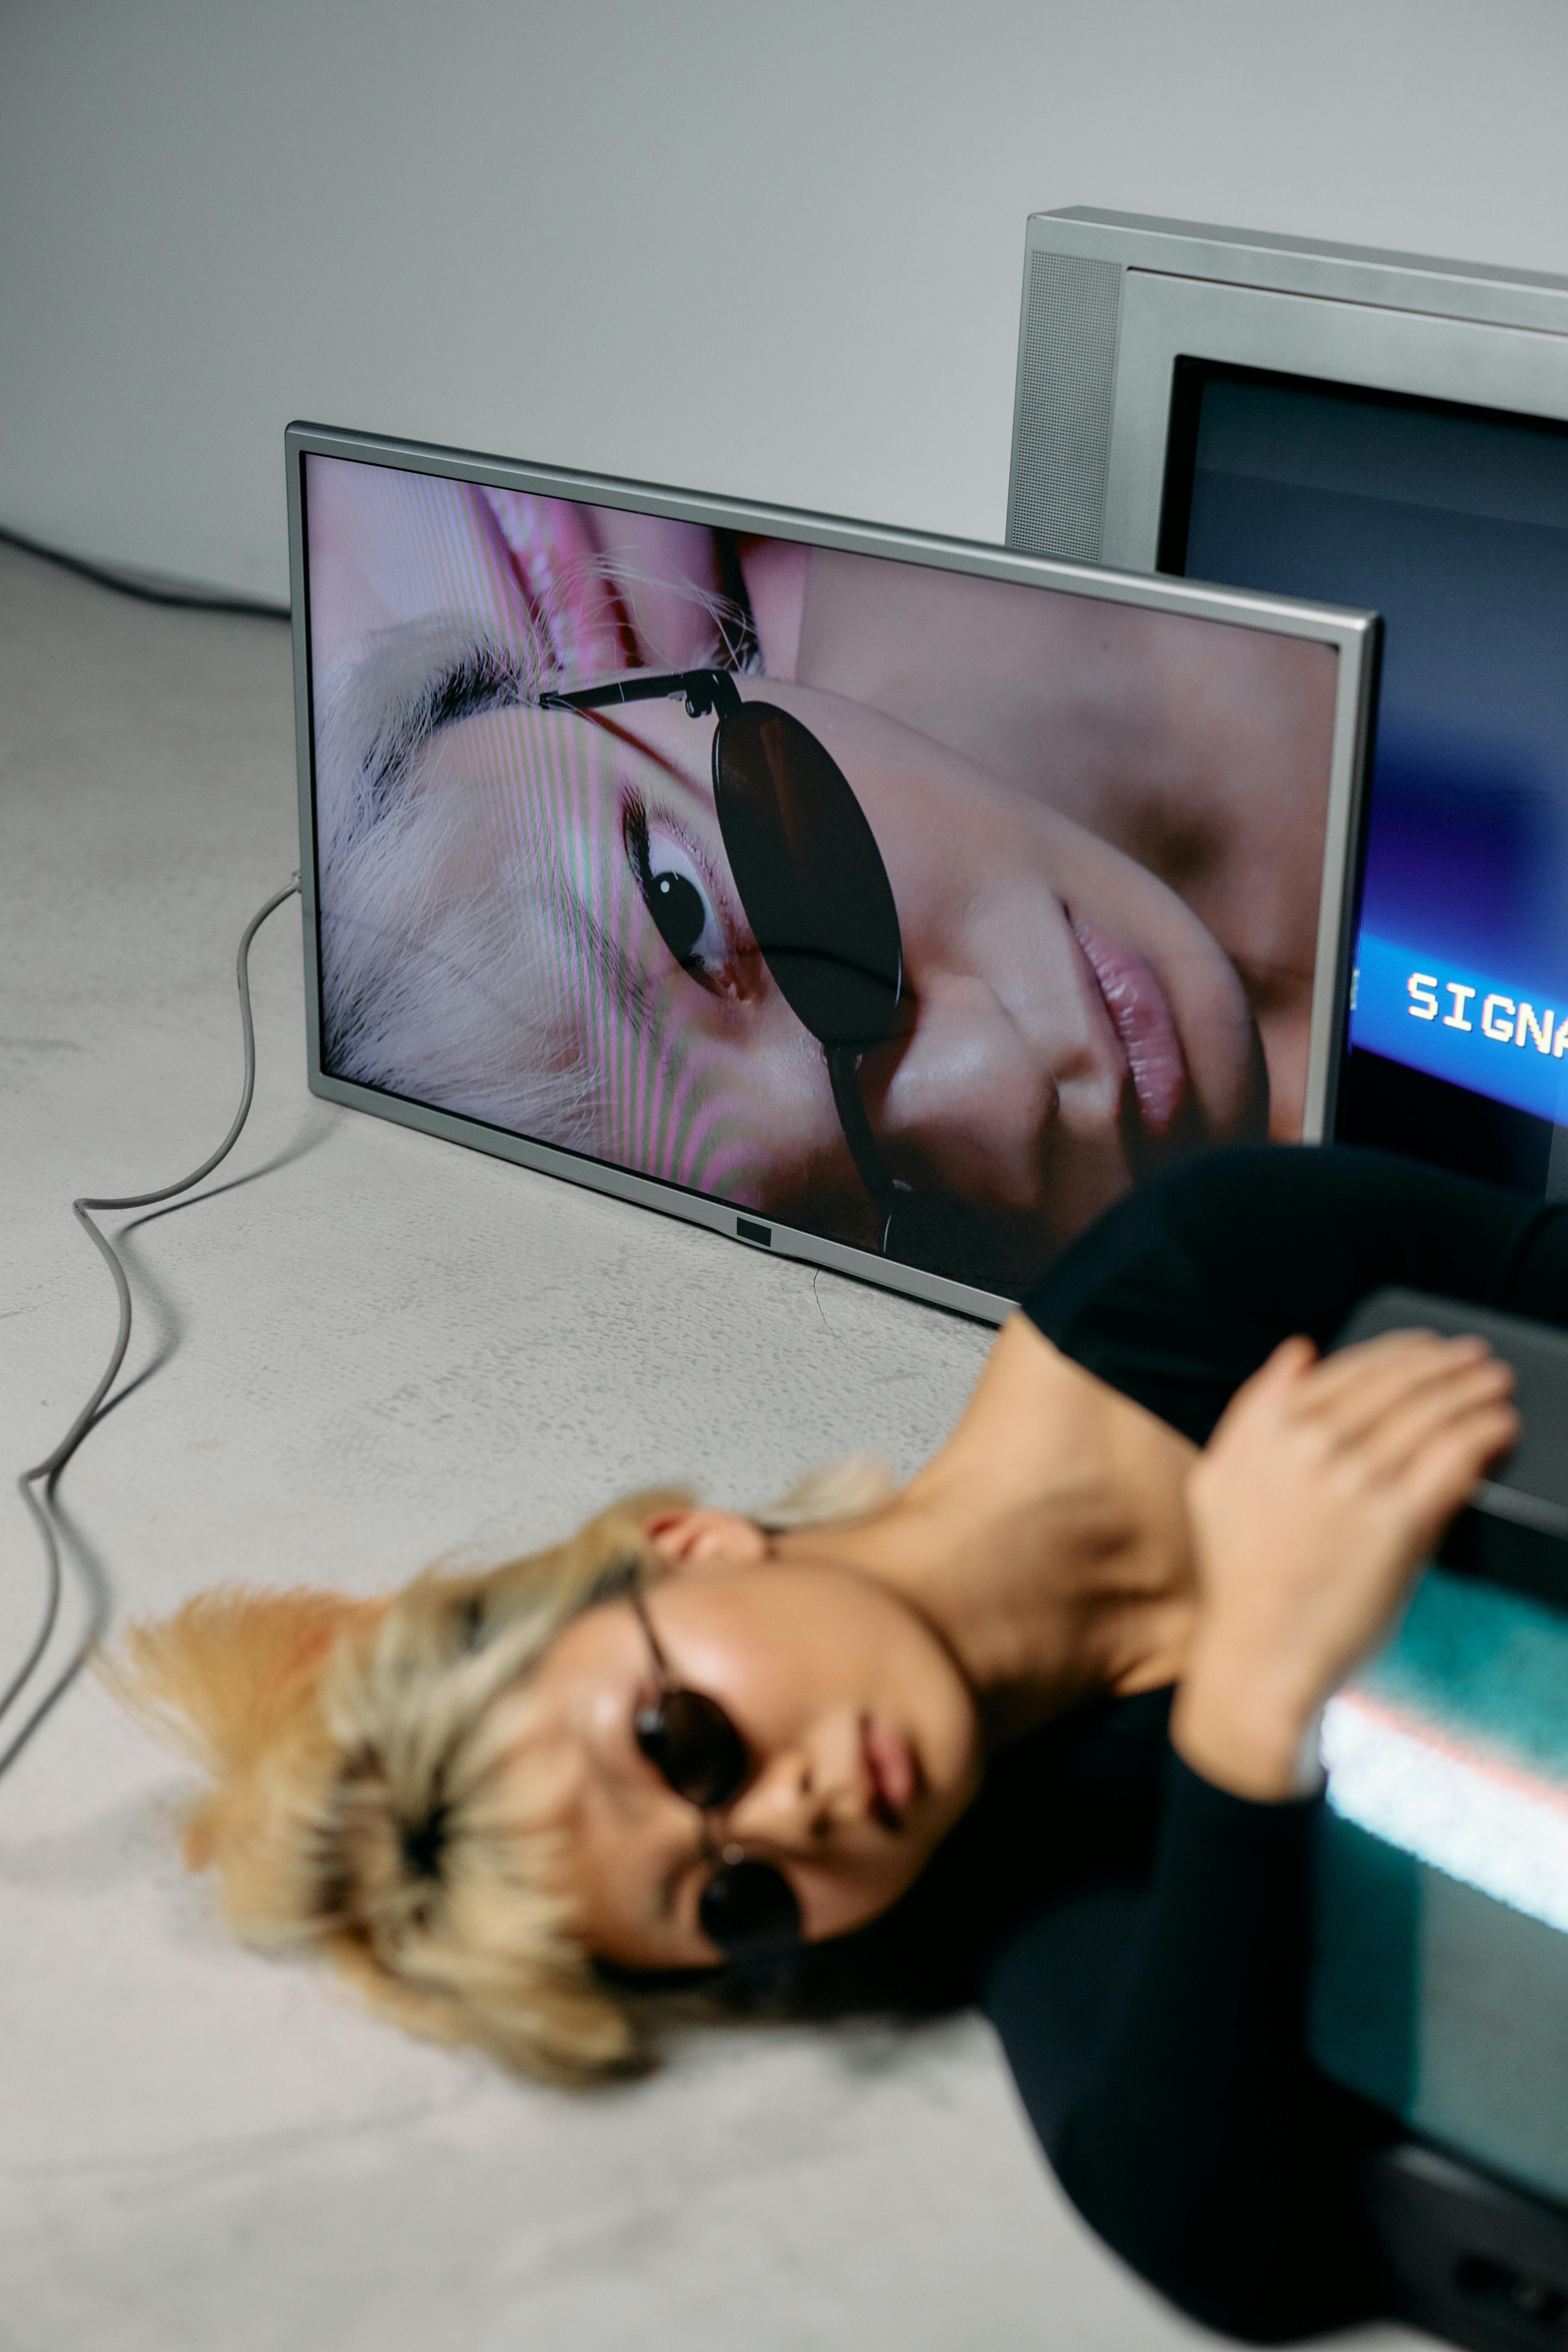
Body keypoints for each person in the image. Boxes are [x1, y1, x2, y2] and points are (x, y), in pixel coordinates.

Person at [112, 1140, 1561, 2341]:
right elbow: (1223, 2242)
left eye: (683, 1744)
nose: (788, 1825)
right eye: (730, 1897)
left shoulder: (1207, 1275)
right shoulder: (1027, 1874)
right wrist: (1246, 1708)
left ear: (687, 1547)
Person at [307, 457, 1337, 1289]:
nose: (996, 1098)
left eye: (683, 909)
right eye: (883, 1218)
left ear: (602, 683)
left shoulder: (1000, 430)